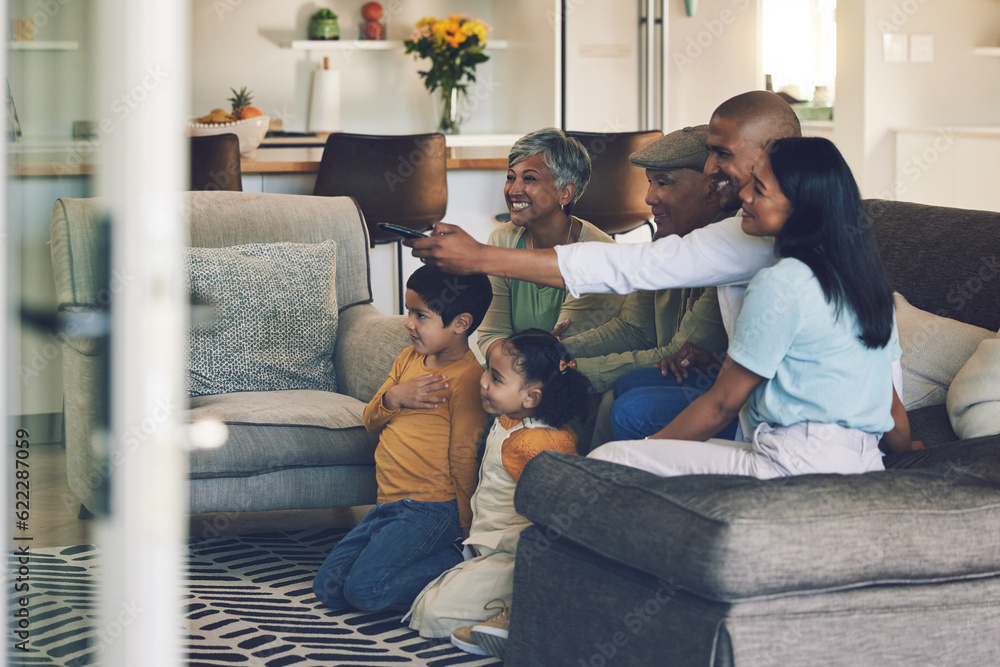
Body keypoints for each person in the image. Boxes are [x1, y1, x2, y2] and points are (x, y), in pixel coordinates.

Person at [590, 136, 918, 481]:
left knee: (608, 459)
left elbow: (721, 406)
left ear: (800, 205)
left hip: (792, 466)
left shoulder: (782, 281)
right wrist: (906, 459)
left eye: (759, 189)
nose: (743, 195)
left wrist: (645, 455)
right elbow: (893, 411)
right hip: (863, 467)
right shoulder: (867, 285)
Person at [312, 265, 492, 613]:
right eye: (409, 311)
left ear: (460, 323)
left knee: (365, 591)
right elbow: (370, 419)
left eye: (420, 315)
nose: (408, 322)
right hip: (387, 504)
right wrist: (395, 396)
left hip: (430, 508)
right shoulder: (409, 359)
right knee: (329, 588)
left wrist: (468, 522)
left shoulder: (469, 378)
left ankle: (458, 558)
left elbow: (464, 455)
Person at [404, 329, 589, 660]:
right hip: (483, 544)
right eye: (487, 370)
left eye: (497, 378)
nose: (483, 382)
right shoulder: (509, 417)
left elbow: (562, 516)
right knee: (420, 588)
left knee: (431, 612)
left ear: (531, 397)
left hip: (515, 556)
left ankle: (524, 616)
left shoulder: (539, 444)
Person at [557, 125, 735, 450]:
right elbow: (633, 330)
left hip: (712, 385)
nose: (648, 197)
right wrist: (557, 353)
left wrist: (570, 372)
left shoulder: (728, 249)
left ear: (712, 189)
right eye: (649, 182)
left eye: (663, 183)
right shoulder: (666, 234)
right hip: (676, 375)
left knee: (625, 402)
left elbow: (676, 354)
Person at [476, 127, 624, 362]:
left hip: (566, 376)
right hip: (507, 370)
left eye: (530, 179)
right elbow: (491, 334)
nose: (513, 190)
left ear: (565, 193)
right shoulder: (502, 240)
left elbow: (562, 350)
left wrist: (519, 356)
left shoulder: (597, 251)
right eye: (510, 177)